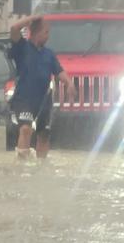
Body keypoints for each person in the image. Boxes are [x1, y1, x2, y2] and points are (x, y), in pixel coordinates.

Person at [8, 15, 76, 161]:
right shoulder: (22, 47)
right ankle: (22, 166)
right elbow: (14, 28)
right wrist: (31, 19)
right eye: (46, 32)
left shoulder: (49, 54)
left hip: (44, 100)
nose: (48, 36)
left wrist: (69, 83)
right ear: (37, 32)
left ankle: (42, 166)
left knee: (43, 134)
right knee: (26, 129)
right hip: (24, 99)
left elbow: (59, 71)